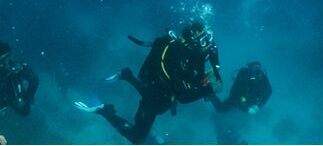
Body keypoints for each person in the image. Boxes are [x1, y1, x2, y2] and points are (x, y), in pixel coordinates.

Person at [74, 21, 222, 144]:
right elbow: (183, 96)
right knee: (137, 137)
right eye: (203, 40)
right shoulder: (178, 54)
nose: (206, 45)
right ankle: (103, 110)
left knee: (155, 102)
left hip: (158, 92)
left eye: (207, 40)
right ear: (192, 39)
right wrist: (209, 89)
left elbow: (187, 78)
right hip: (157, 96)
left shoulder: (188, 55)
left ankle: (127, 75)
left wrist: (201, 80)